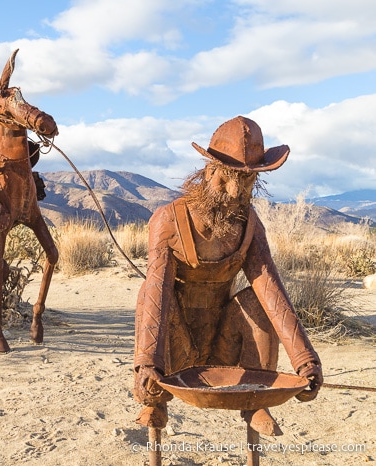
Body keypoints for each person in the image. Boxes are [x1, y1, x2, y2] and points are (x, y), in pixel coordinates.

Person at [133, 116, 323, 435]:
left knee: (255, 299)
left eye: (246, 181)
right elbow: (158, 287)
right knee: (147, 293)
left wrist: (306, 360)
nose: (236, 191)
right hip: (175, 343)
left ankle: (255, 400)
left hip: (224, 341)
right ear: (209, 172)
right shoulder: (168, 220)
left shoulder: (249, 226)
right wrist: (147, 360)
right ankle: (154, 399)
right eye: (227, 179)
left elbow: (270, 289)